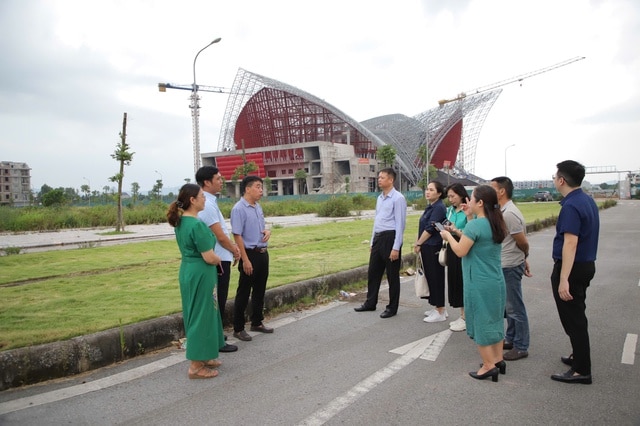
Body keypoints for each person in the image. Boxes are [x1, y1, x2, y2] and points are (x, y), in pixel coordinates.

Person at [441, 185, 508, 382]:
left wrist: (448, 237)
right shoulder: (495, 221)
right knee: (494, 319)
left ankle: (488, 365)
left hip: (478, 281)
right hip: (495, 279)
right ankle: (497, 360)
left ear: (480, 202)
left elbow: (461, 251)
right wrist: (468, 219)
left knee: (480, 321)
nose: (467, 201)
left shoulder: (475, 226)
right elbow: (476, 241)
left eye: (471, 198)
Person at [167, 183, 224, 379]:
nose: (204, 198)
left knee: (199, 312)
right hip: (201, 271)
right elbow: (209, 257)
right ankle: (196, 365)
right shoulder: (197, 225)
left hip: (189, 270)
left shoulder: (182, 222)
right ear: (192, 200)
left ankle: (205, 355)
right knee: (202, 314)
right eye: (201, 196)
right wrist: (218, 259)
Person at [549, 160, 599, 385]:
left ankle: (582, 369)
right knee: (577, 314)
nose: (553, 180)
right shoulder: (586, 199)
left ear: (562, 180)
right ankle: (577, 356)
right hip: (586, 265)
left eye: (554, 176)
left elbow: (570, 243)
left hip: (572, 268)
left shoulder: (570, 206)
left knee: (574, 319)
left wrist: (563, 279)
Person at [196, 166, 241, 353]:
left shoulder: (211, 202)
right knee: (217, 300)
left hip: (221, 257)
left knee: (219, 299)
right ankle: (215, 340)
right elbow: (220, 236)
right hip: (217, 259)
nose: (222, 181)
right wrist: (235, 250)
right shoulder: (206, 205)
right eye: (218, 178)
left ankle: (216, 334)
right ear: (207, 182)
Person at [354, 168, 407, 318]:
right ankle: (370, 303)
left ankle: (392, 307)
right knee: (373, 273)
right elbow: (376, 221)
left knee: (392, 276)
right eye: (379, 177)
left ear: (391, 180)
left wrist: (396, 247)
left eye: (382, 177)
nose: (379, 180)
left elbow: (400, 224)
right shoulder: (380, 198)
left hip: (390, 238)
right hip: (378, 238)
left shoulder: (398, 198)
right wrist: (372, 241)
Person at [490, 176, 532, 361]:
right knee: (509, 306)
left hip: (510, 265)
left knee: (515, 307)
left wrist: (524, 257)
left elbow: (522, 242)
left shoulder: (509, 214)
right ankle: (512, 338)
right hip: (505, 263)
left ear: (501, 191)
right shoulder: (502, 210)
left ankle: (522, 346)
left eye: (493, 188)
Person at [231, 176, 273, 341]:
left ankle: (257, 321)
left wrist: (267, 231)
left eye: (261, 187)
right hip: (249, 254)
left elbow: (261, 228)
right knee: (243, 291)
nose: (261, 190)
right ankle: (238, 327)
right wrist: (245, 259)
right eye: (257, 187)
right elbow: (237, 235)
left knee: (260, 290)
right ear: (247, 189)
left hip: (262, 252)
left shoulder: (257, 207)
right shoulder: (239, 209)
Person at [412, 181, 447, 323]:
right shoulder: (431, 206)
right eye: (427, 189)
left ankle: (440, 310)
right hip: (427, 246)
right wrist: (418, 242)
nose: (428, 192)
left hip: (433, 246)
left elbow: (430, 228)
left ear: (439, 193)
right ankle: (436, 306)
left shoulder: (439, 207)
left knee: (436, 277)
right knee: (430, 277)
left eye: (431, 190)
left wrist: (419, 243)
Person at [442, 183, 471, 331]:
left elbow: (470, 232)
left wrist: (455, 230)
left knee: (462, 280)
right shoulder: (450, 210)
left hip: (463, 246)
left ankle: (466, 316)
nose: (451, 199)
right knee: (454, 280)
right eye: (449, 197)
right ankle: (461, 314)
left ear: (461, 195)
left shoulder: (468, 212)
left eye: (453, 196)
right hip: (451, 246)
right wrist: (446, 230)